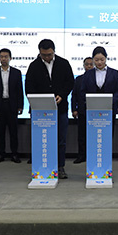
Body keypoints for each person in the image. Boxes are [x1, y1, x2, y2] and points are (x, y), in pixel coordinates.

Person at [25, 39, 74, 179]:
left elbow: (70, 82)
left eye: (49, 54)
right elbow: (28, 87)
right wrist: (38, 100)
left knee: (60, 139)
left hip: (60, 109)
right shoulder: (34, 66)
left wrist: (62, 95)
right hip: (40, 111)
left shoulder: (63, 63)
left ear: (54, 51)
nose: (47, 57)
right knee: (41, 139)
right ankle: (42, 167)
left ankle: (60, 167)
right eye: (44, 55)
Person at [0, 48, 24, 164]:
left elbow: (19, 90)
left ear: (10, 58)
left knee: (13, 131)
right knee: (0, 132)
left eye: (6, 56)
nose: (3, 59)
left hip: (12, 105)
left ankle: (14, 154)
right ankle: (0, 154)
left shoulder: (16, 72)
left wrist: (20, 106)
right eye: (1, 56)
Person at [79, 45, 118, 127]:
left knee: (108, 132)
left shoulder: (114, 73)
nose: (99, 62)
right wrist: (89, 100)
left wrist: (110, 100)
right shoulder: (88, 74)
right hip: (92, 109)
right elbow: (82, 91)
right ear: (93, 60)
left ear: (106, 58)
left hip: (109, 108)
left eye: (102, 60)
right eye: (96, 60)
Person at [71, 57, 94, 164]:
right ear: (83, 66)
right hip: (82, 111)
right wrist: (74, 109)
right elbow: (74, 95)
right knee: (82, 135)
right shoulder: (78, 79)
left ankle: (92, 156)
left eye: (91, 64)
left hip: (94, 112)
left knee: (93, 135)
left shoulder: (97, 79)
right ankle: (81, 155)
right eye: (87, 64)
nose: (89, 66)